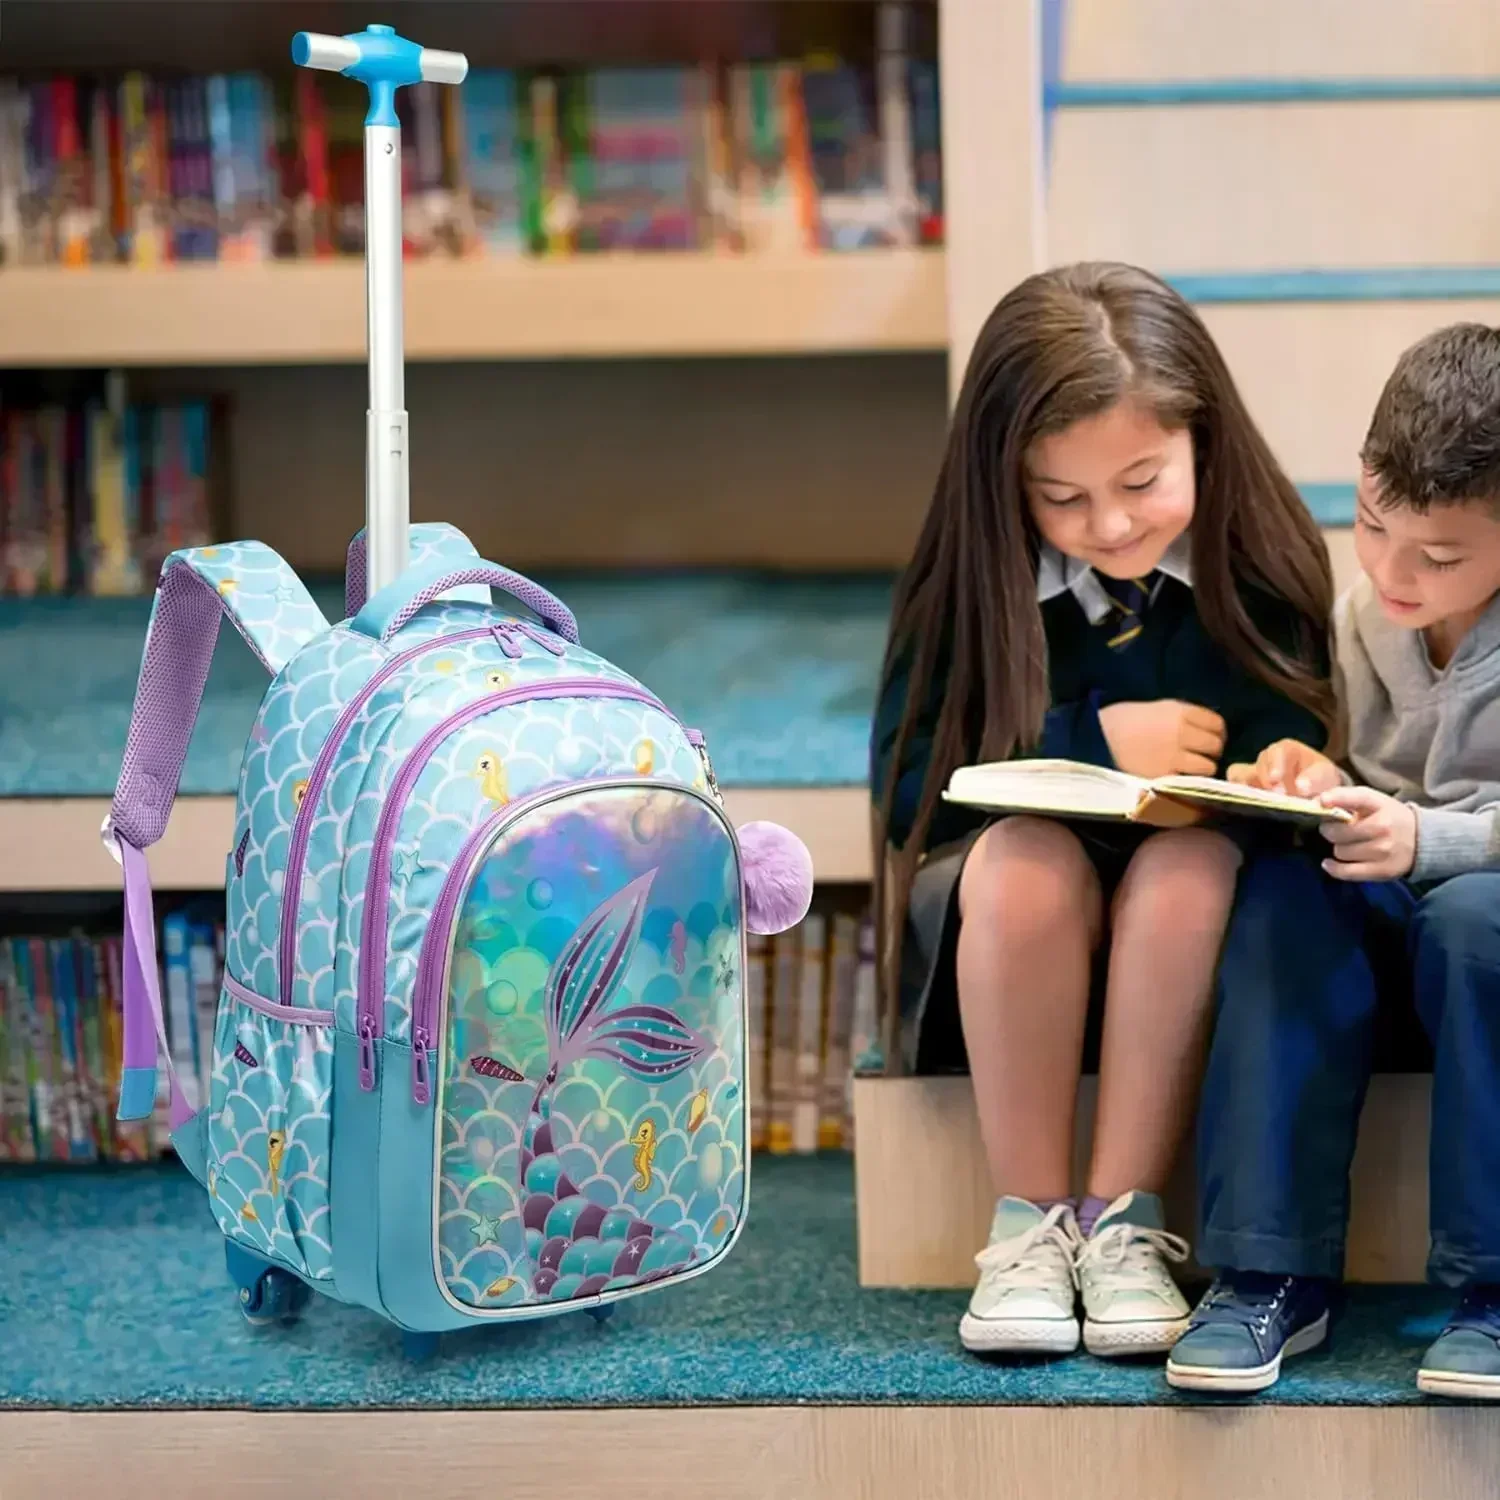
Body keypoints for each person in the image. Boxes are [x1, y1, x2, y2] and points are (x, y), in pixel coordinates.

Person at [869, 261, 1338, 1358]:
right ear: (1007, 483)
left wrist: (1291, 771)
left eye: (1143, 481)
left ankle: (1125, 1222)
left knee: (1194, 870)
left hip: (1191, 903)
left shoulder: (1260, 566)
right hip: (1010, 914)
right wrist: (1088, 745)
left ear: (1202, 443)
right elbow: (908, 789)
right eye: (1063, 498)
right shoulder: (968, 580)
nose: (1113, 524)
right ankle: (1030, 1225)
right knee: (1028, 860)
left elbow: (1300, 735)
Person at [1168, 322, 1500, 1399]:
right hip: (1394, 915)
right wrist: (1314, 772)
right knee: (1280, 895)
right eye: (1369, 526)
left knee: (1476, 921)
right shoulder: (1367, 618)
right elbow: (1362, 770)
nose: (1393, 572)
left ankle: (1491, 1291)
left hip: (1480, 934)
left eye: (1438, 557)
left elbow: (1440, 841)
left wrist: (1432, 839)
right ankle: (1270, 1271)